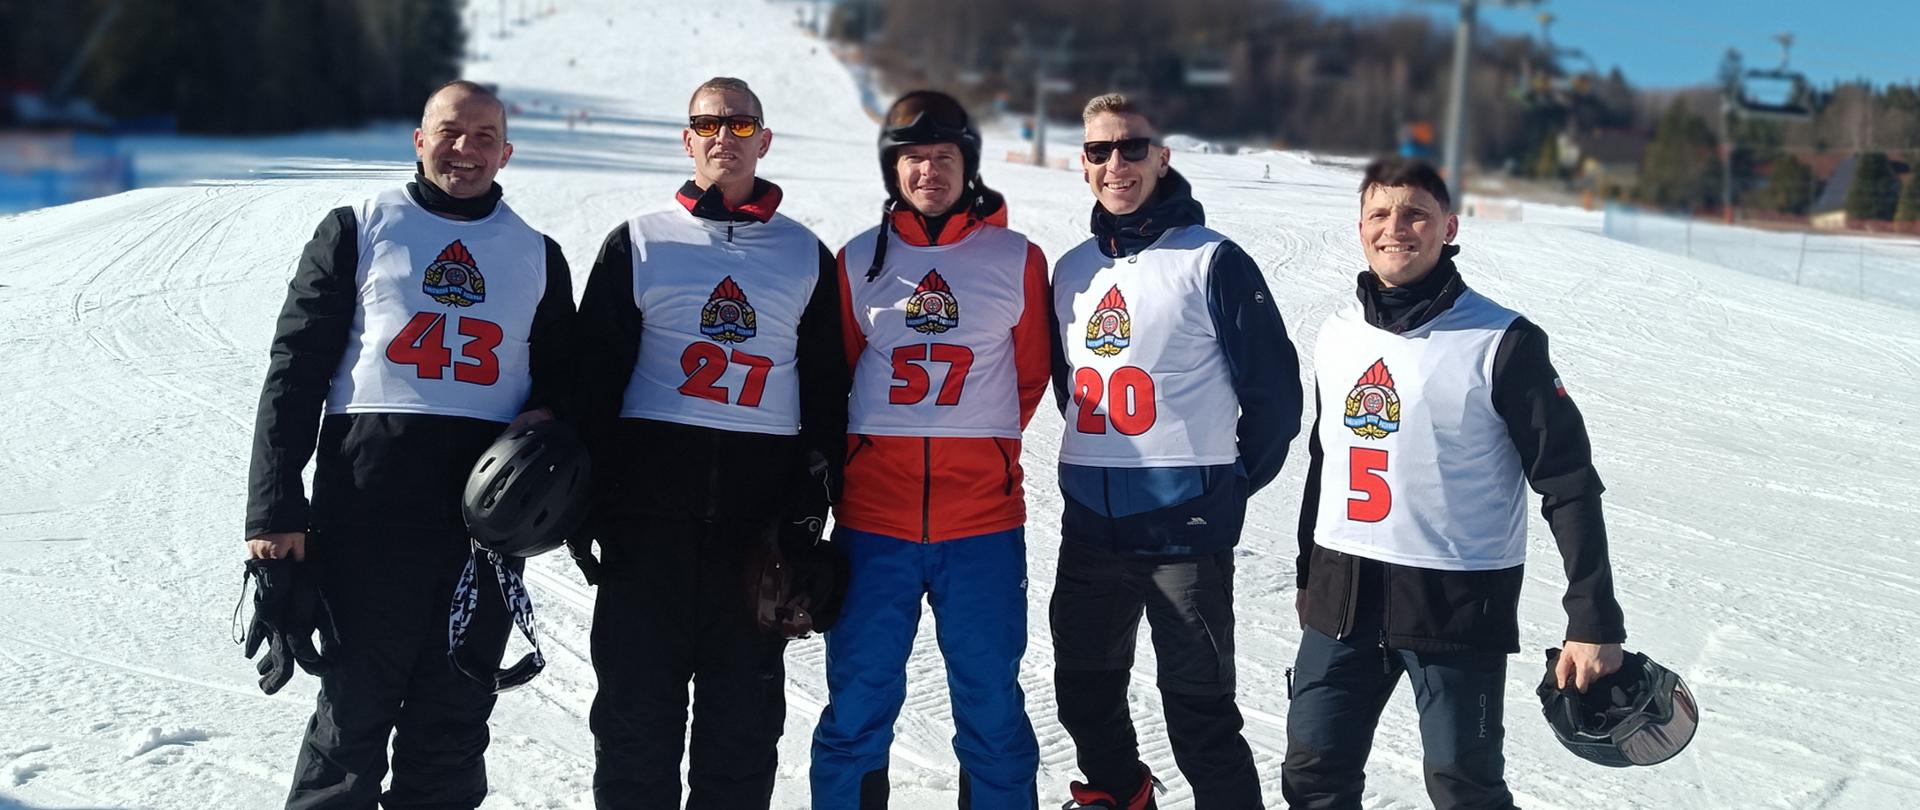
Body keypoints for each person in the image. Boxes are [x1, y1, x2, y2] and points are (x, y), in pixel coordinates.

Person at [244, 79, 574, 809]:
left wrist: (549, 433)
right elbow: (294, 374)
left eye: (485, 136)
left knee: (451, 729)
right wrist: (272, 514)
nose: (467, 149)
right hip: (368, 516)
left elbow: (567, 389)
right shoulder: (359, 227)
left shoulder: (538, 255)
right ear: (419, 140)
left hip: (482, 534)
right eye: (451, 132)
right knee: (350, 722)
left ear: (507, 152)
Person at [1283, 156, 1628, 810]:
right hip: (1342, 595)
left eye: (1414, 213)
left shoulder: (1501, 339)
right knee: (1313, 771)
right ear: (1360, 226)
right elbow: (1327, 459)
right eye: (1380, 214)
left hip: (1454, 599)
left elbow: (1569, 482)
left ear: (1448, 226)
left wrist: (1594, 616)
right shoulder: (1337, 334)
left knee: (1462, 783)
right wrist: (1308, 576)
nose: (1395, 228)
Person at [569, 77, 848, 810]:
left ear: (764, 139)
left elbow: (825, 397)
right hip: (646, 537)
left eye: (741, 124)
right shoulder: (639, 241)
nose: (725, 136)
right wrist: (584, 503)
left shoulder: (806, 256)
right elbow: (592, 383)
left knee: (742, 741)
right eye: (708, 124)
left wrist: (813, 519)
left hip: (755, 544)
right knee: (634, 732)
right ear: (686, 140)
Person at [1048, 94, 1302, 810]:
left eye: (1133, 147)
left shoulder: (1210, 259)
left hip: (1183, 532)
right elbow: (1071, 388)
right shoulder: (1072, 271)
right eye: (1100, 150)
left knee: (1199, 716)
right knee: (1084, 694)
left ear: (1164, 155)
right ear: (1084, 163)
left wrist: (1223, 486)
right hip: (1091, 531)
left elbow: (1275, 399)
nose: (1116, 164)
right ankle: (1120, 797)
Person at [810, 89, 1049, 810]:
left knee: (991, 708)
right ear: (894, 169)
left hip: (981, 526)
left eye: (944, 157)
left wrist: (978, 453)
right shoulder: (858, 261)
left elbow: (1029, 376)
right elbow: (840, 376)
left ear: (967, 165)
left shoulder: (1017, 259)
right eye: (913, 158)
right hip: (872, 524)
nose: (929, 172)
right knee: (856, 705)